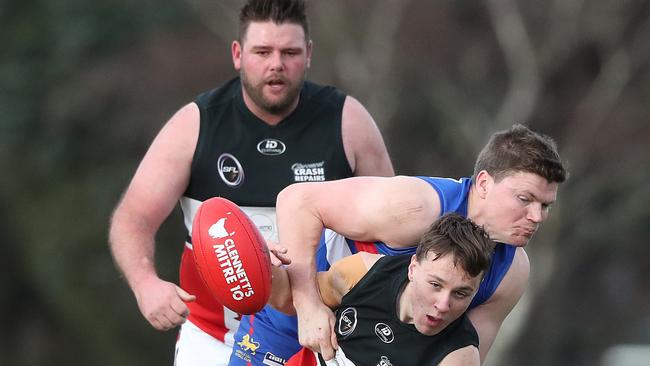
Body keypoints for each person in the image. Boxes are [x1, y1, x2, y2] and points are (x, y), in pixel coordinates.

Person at [107, 0, 394, 364]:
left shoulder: (347, 122)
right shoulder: (196, 125)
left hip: (325, 336)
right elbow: (133, 218)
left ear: (308, 55)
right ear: (238, 54)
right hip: (216, 338)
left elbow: (392, 224)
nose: (276, 64)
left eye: (289, 52)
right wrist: (145, 284)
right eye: (263, 51)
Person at [268, 124, 567, 364]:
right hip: (293, 316)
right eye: (525, 199)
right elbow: (298, 201)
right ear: (485, 184)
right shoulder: (415, 206)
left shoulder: (511, 272)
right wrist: (307, 307)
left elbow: (461, 354)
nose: (537, 217)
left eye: (545, 205)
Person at [267, 213, 495, 366]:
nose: (443, 305)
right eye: (435, 285)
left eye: (461, 293)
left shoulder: (458, 357)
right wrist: (261, 261)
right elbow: (286, 298)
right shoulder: (363, 273)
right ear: (413, 268)